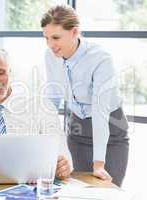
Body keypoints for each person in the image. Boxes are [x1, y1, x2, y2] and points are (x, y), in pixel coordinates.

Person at [41, 5, 129, 186]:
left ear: (74, 32)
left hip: (110, 130)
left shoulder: (100, 59)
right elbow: (53, 98)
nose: (50, 44)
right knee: (77, 191)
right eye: (46, 38)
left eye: (56, 37)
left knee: (106, 191)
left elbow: (100, 111)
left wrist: (98, 164)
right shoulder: (50, 56)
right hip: (77, 131)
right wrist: (40, 139)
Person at [0, 45, 72, 180]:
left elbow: (63, 155)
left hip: (32, 188)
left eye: (0, 72)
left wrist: (63, 167)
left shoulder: (41, 107)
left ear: (9, 72)